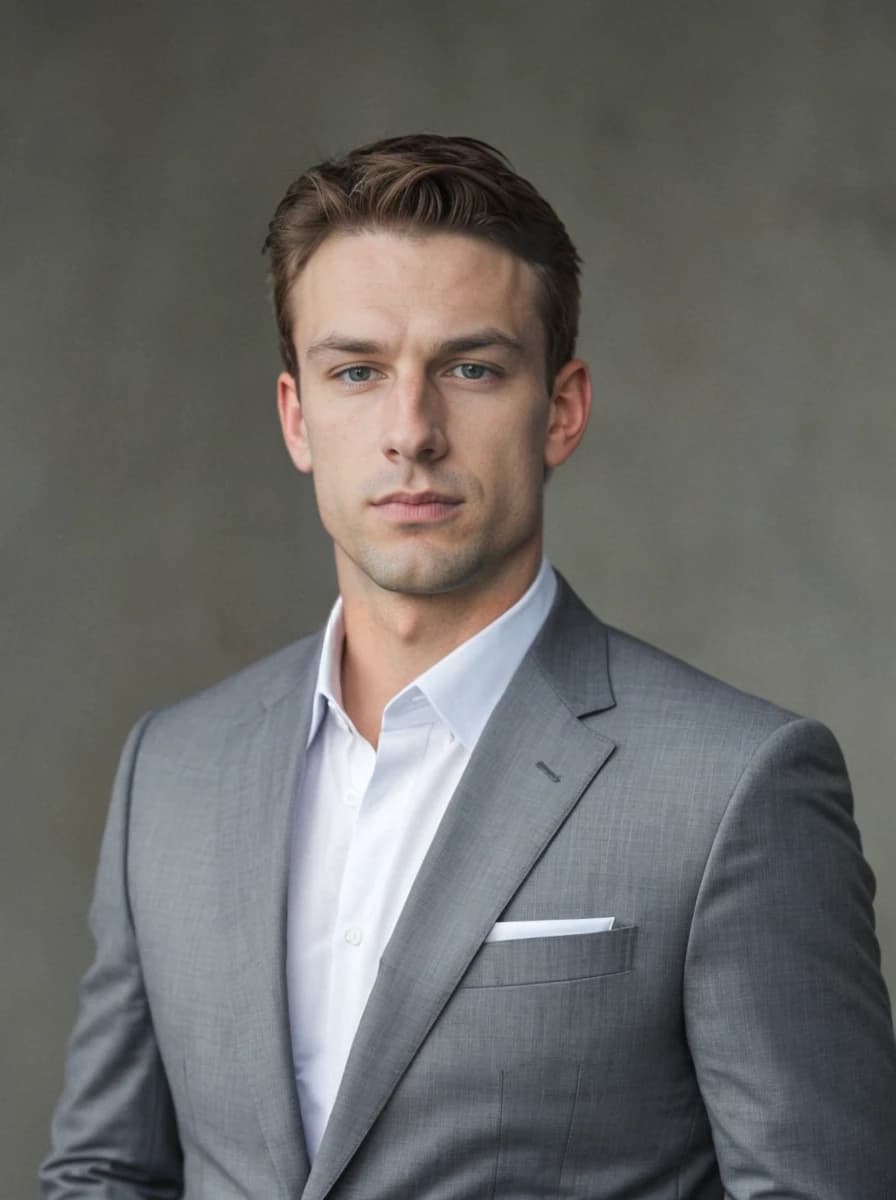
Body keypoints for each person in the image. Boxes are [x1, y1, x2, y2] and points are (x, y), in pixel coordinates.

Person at [42, 133, 896, 1200]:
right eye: (358, 371)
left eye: (471, 368)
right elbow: (106, 1171)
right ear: (296, 417)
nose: (411, 430)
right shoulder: (168, 770)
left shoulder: (734, 786)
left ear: (562, 408)